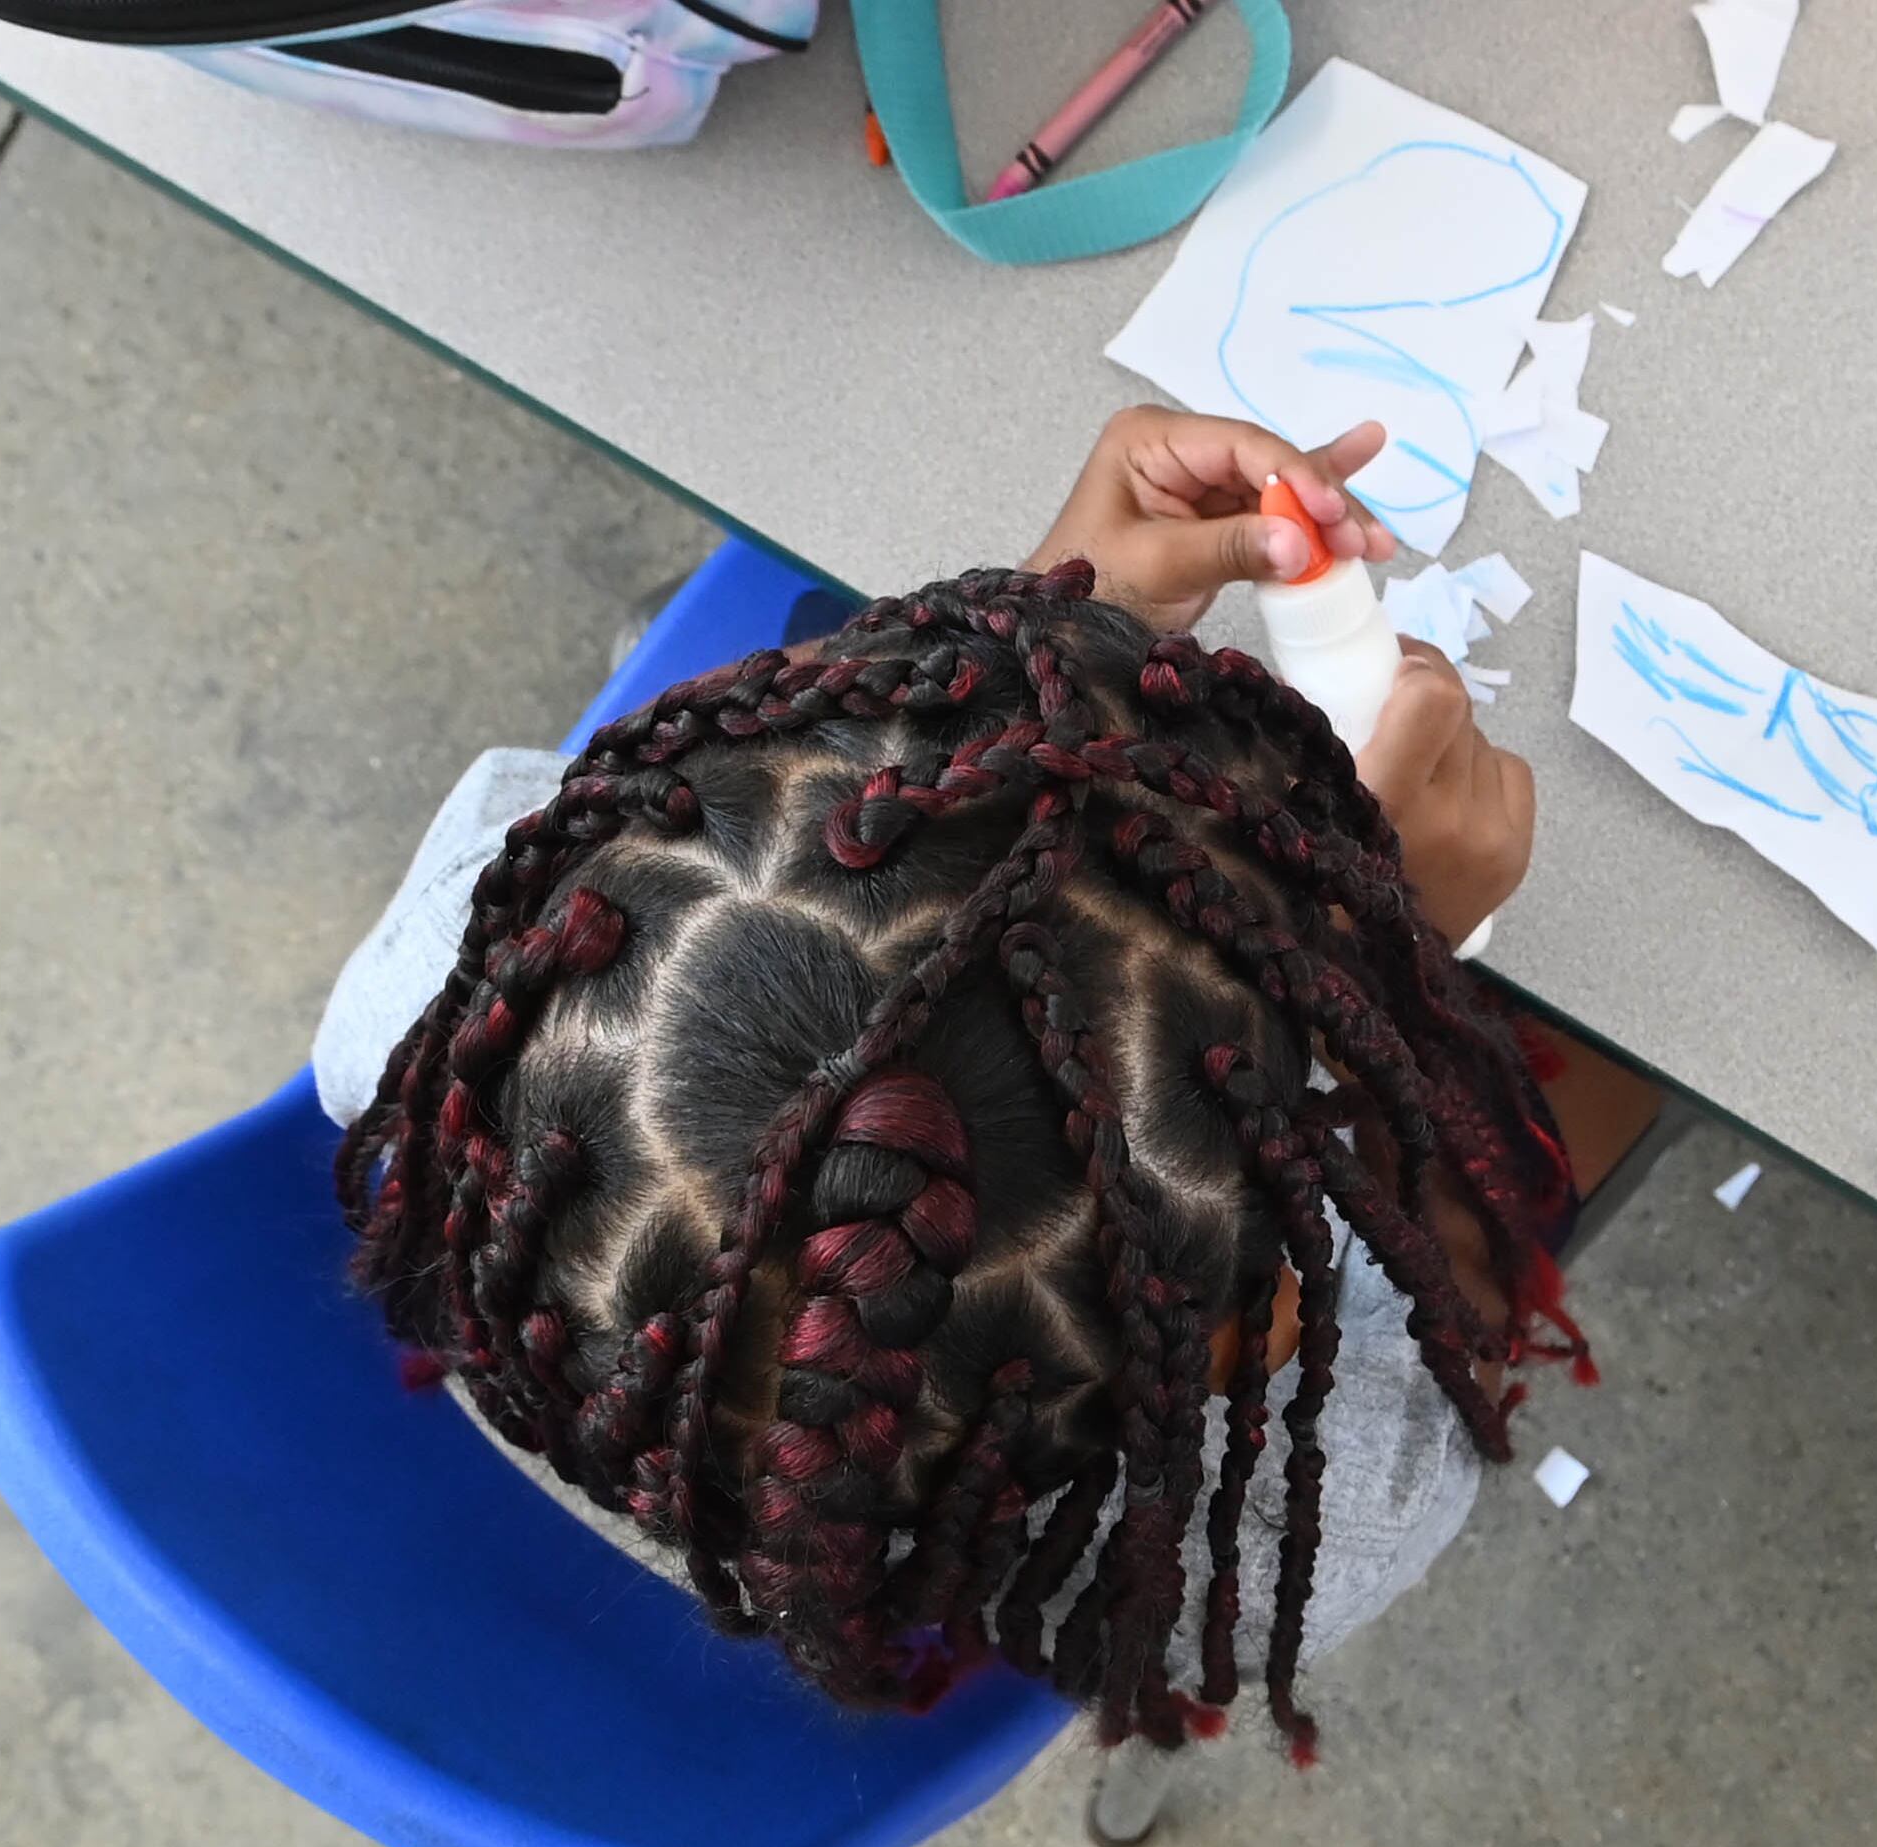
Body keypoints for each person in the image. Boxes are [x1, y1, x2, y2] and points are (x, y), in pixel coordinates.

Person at [318, 406, 1607, 1761]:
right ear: (1223, 1332)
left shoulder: (419, 1010)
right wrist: (1391, 980)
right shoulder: (1295, 1533)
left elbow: (784, 910)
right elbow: (1452, 1290)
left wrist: (1047, 628)